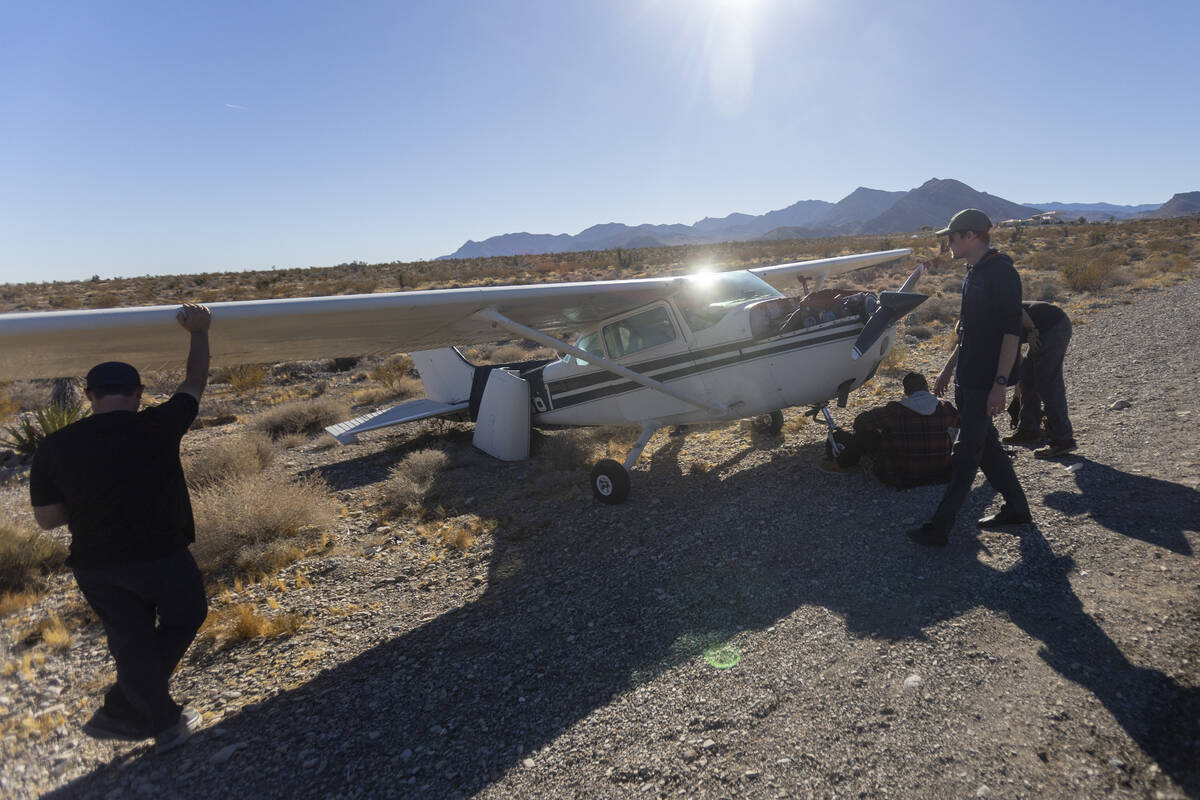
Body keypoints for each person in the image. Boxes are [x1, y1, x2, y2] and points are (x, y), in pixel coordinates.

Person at [29, 303, 212, 753]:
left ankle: (123, 710)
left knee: (131, 643)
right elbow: (194, 383)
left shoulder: (54, 446)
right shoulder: (160, 425)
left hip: (97, 565)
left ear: (90, 395)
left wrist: (91, 502)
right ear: (139, 392)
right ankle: (154, 721)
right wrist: (199, 332)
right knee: (185, 617)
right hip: (162, 556)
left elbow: (48, 520)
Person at [907, 210, 1032, 547]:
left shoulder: (1001, 273)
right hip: (968, 378)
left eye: (952, 237)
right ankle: (1018, 509)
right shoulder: (972, 272)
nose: (947, 244)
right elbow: (967, 332)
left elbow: (1011, 334)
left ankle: (939, 529)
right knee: (987, 447)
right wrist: (949, 369)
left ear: (972, 236)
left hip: (985, 382)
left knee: (965, 455)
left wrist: (1000, 385)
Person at [834, 372, 959, 488]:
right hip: (940, 473)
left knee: (865, 435)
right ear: (926, 387)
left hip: (903, 476)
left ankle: (844, 461)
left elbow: (860, 423)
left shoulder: (896, 411)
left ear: (906, 392)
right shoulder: (944, 407)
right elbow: (962, 423)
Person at [1003, 301, 1077, 458]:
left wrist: (1031, 330)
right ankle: (1029, 429)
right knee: (1028, 377)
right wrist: (1018, 390)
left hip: (1053, 326)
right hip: (1042, 327)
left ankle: (1063, 440)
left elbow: (1015, 308)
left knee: (1048, 383)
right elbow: (1016, 359)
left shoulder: (992, 315)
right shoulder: (988, 326)